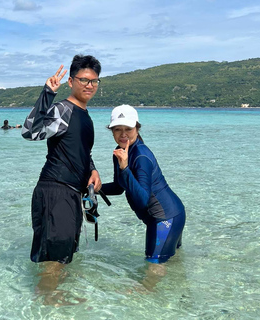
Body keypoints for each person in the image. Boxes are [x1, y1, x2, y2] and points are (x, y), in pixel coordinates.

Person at [21, 54, 102, 303]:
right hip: (55, 190)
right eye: (84, 80)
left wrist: (93, 169)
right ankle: (47, 299)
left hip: (69, 193)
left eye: (94, 81)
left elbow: (80, 151)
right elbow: (29, 132)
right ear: (71, 81)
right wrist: (47, 93)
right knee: (54, 259)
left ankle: (51, 301)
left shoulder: (84, 114)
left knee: (63, 255)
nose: (89, 85)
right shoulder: (63, 109)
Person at [101, 105, 185, 288]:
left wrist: (124, 168)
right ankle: (178, 294)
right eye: (117, 130)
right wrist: (94, 188)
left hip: (165, 220)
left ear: (137, 128)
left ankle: (147, 304)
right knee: (174, 264)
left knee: (153, 268)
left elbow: (142, 200)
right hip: (173, 214)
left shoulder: (141, 157)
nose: (123, 134)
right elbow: (118, 187)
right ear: (112, 131)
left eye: (128, 129)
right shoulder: (121, 152)